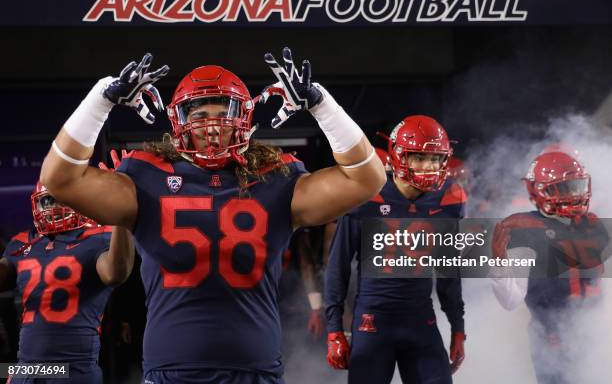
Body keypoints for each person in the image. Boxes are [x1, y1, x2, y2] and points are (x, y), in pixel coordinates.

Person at [39, 48, 386, 383]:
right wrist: (102, 99)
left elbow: (368, 179)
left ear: (244, 120)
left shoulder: (275, 177)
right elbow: (58, 178)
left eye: (223, 115)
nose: (211, 127)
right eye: (200, 117)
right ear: (178, 122)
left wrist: (322, 105)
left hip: (256, 369)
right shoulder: (144, 177)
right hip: (171, 371)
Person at [325, 115, 467, 384]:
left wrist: (458, 327)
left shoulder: (448, 200)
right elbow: (337, 267)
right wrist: (334, 329)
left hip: (421, 322)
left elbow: (449, 272)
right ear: (398, 156)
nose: (429, 167)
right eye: (419, 158)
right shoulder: (366, 195)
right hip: (373, 323)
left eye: (436, 158)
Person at [490, 150, 609, 384]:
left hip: (595, 335)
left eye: (577, 186)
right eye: (564, 188)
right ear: (539, 191)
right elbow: (510, 301)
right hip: (553, 339)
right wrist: (499, 264)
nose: (575, 195)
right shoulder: (523, 230)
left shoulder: (592, 224)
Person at [0, 183, 134, 383]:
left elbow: (115, 274)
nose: (52, 206)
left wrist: (120, 220)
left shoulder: (99, 237)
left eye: (63, 198)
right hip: (26, 368)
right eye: (47, 200)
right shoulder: (22, 242)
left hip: (73, 368)